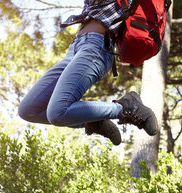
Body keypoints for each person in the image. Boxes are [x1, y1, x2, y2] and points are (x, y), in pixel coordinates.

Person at [18, 0, 159, 146]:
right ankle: (94, 121)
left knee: (57, 113)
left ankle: (127, 107)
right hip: (75, 48)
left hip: (96, 47)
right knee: (28, 110)